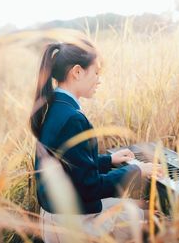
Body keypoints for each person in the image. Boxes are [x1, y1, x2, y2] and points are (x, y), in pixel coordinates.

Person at [30, 39, 159, 242]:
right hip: (74, 223)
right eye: (96, 72)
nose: (99, 80)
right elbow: (90, 187)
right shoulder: (72, 118)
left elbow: (72, 167)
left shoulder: (54, 107)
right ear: (77, 72)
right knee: (156, 221)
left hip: (58, 216)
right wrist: (138, 171)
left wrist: (108, 160)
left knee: (141, 206)